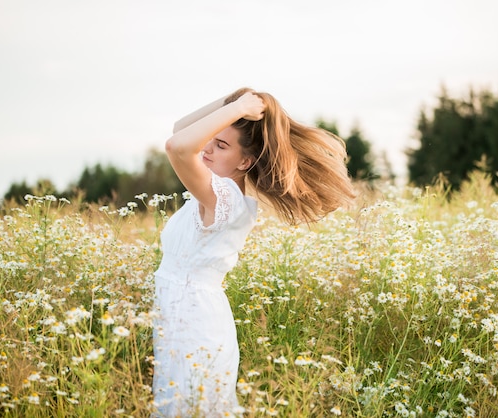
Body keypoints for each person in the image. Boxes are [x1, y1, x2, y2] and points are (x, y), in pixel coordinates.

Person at [151, 87, 355, 417]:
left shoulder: (226, 199)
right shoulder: (218, 193)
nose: (207, 148)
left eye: (221, 145)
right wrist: (235, 101)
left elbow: (177, 146)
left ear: (245, 160)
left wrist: (237, 109)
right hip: (180, 318)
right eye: (210, 139)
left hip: (194, 324)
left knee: (190, 408)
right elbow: (180, 130)